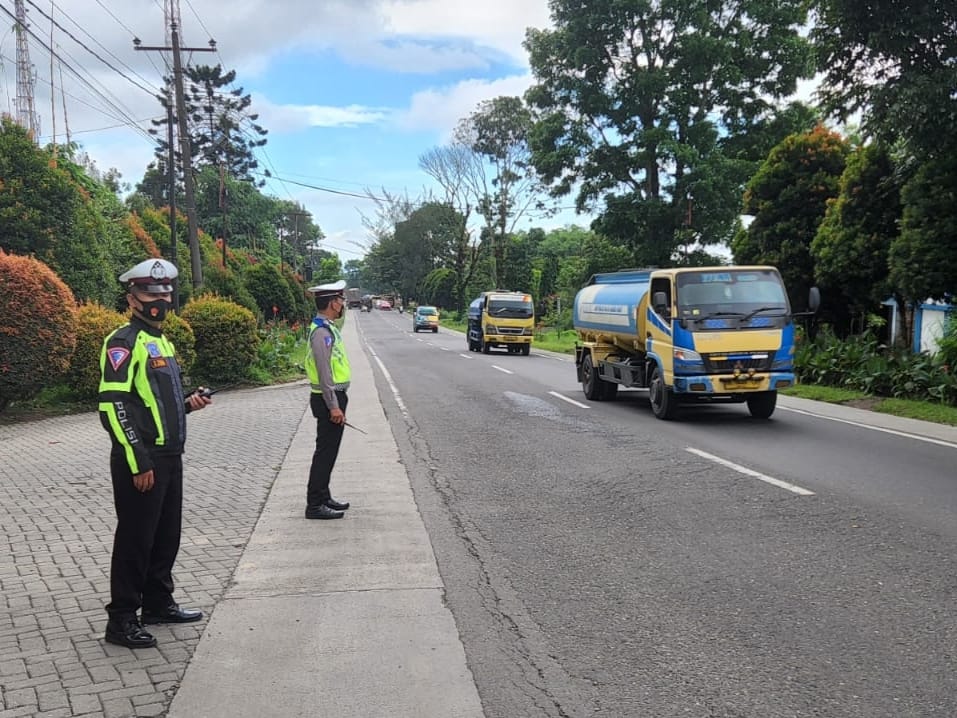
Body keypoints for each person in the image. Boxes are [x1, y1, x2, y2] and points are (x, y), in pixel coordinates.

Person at [98, 258, 212, 649]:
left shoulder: (163, 342)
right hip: (141, 460)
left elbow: (159, 402)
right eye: (151, 293)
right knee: (135, 540)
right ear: (132, 299)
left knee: (166, 537)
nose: (160, 299)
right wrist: (138, 459)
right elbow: (113, 406)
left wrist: (188, 403)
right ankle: (122, 619)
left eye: (165, 292)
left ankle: (159, 603)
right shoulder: (122, 343)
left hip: (170, 455)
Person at [304, 279, 352, 520]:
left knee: (329, 451)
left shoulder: (327, 327)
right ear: (333, 303)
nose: (343, 304)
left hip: (331, 398)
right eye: (341, 300)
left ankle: (324, 496)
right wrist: (334, 405)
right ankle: (315, 504)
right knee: (325, 452)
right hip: (328, 400)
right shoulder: (322, 332)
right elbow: (325, 374)